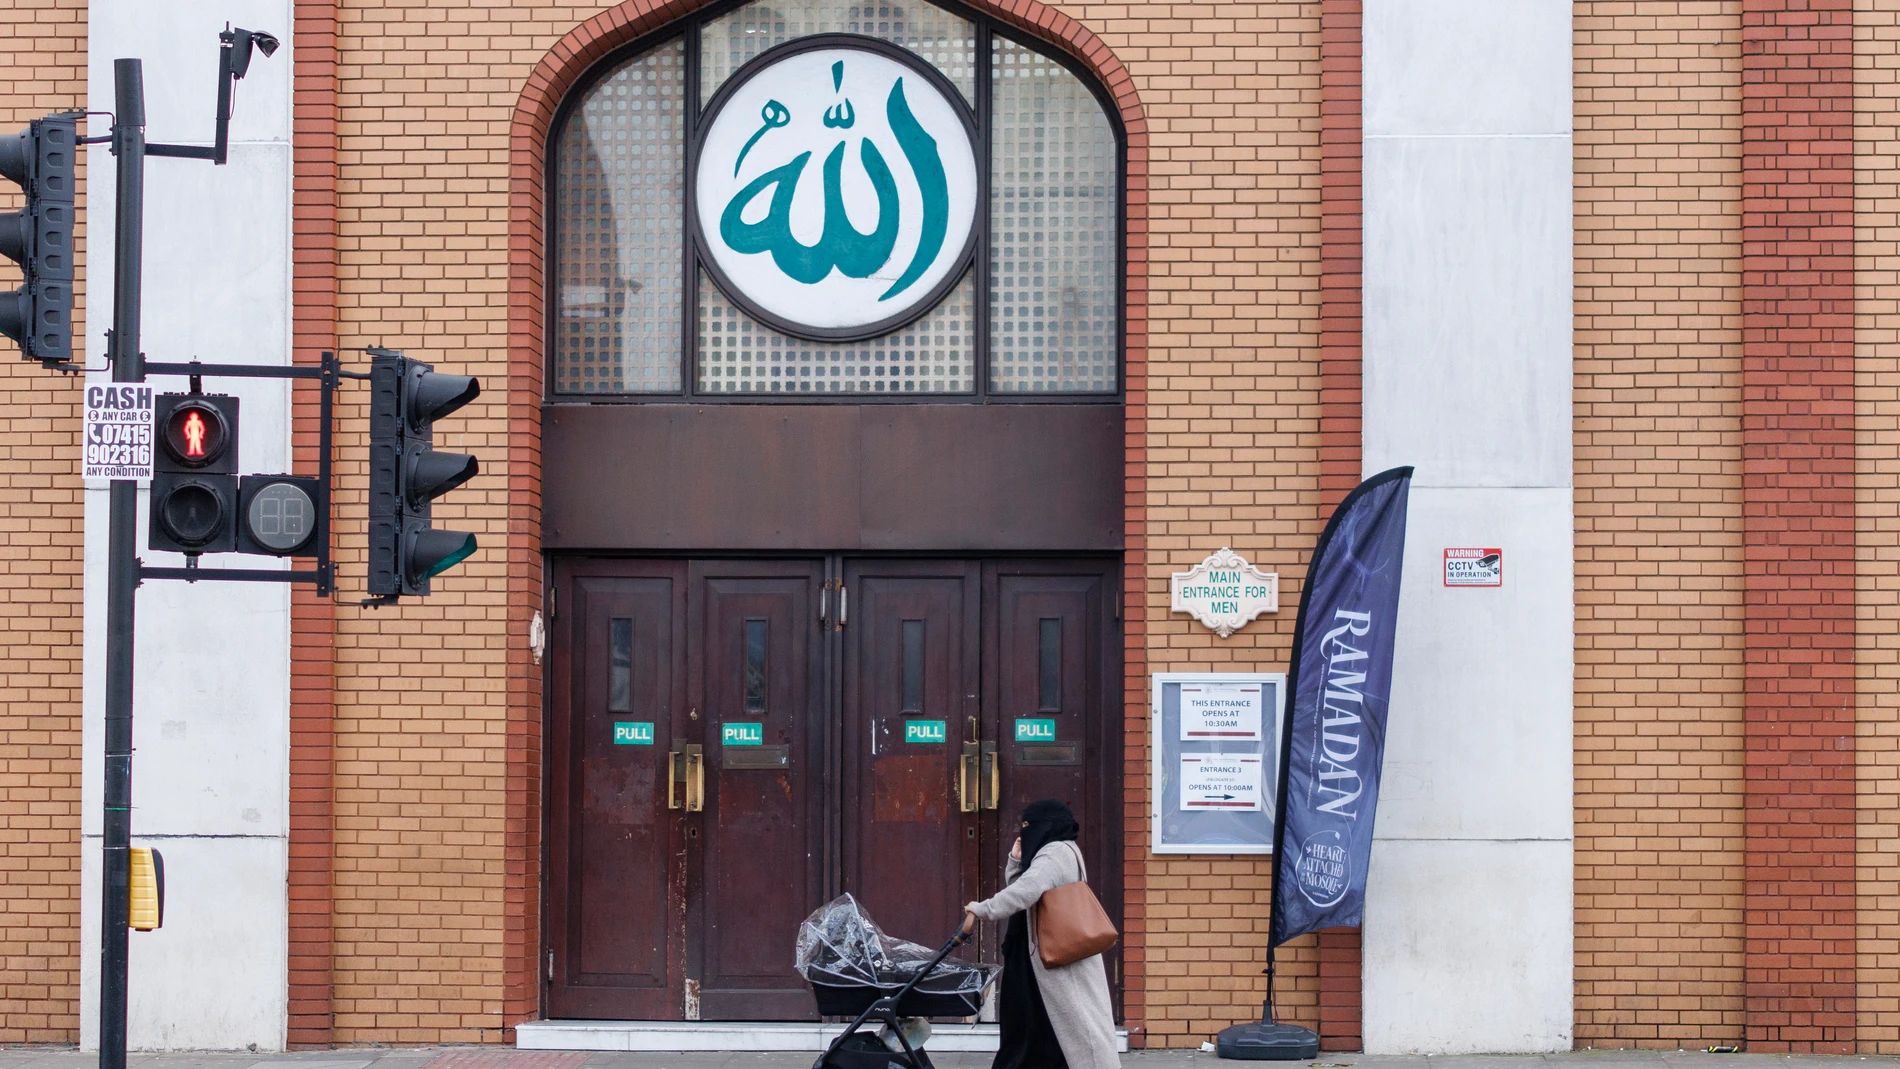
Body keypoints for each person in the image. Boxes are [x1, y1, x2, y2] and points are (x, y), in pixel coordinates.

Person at [963, 799, 1119, 1069]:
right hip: (1045, 958)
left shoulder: (1055, 853)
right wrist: (1015, 860)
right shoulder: (1063, 849)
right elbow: (1026, 887)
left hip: (1056, 958)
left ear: (1046, 825)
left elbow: (1025, 892)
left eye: (1028, 826)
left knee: (1066, 1026)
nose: (1024, 831)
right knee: (1043, 1026)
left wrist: (982, 909)